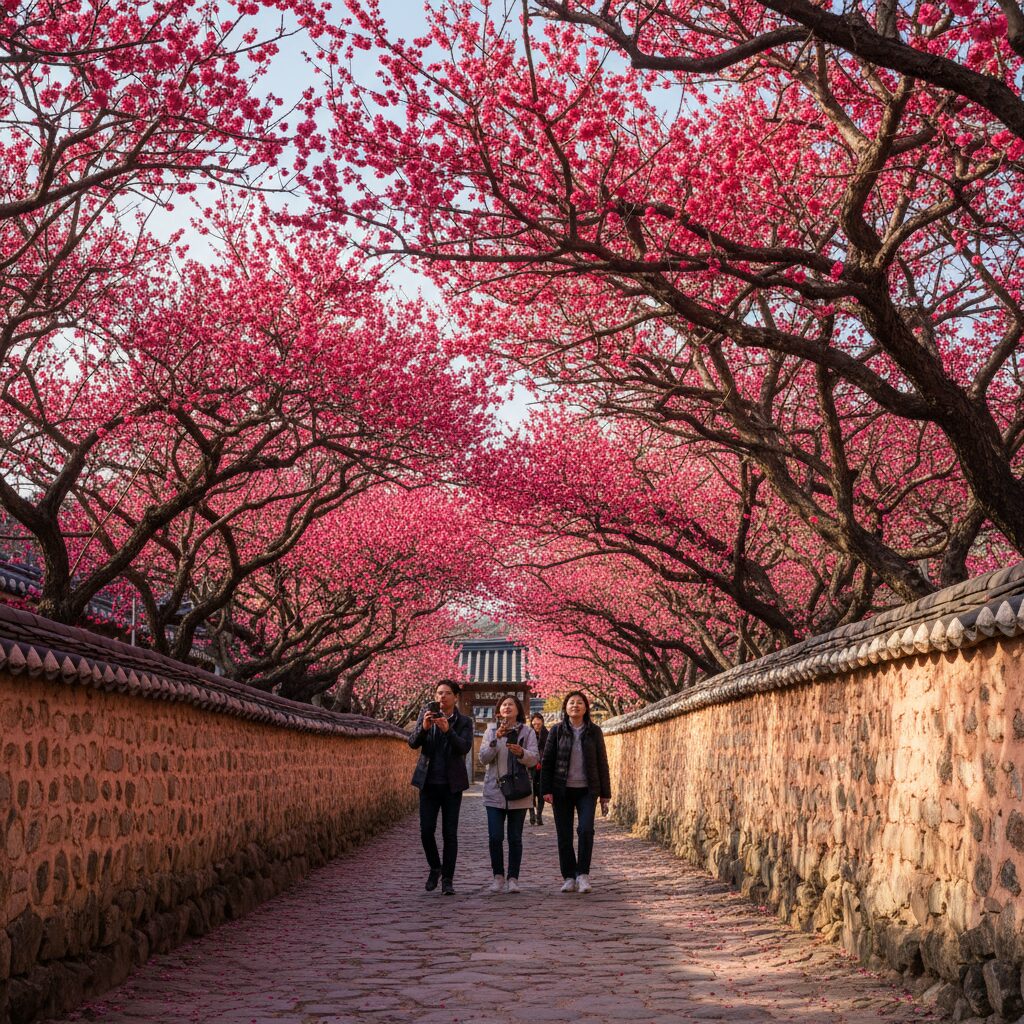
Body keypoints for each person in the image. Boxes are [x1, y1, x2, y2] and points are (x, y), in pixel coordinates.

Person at [540, 690, 611, 894]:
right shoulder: (556, 731)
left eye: (580, 703)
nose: (575, 706)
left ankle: (583, 875)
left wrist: (605, 793)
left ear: (586, 708)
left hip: (587, 790)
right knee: (564, 834)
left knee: (586, 830)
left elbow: (602, 763)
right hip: (561, 789)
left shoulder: (594, 731)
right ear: (565, 707)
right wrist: (545, 790)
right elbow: (547, 762)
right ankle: (569, 876)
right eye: (571, 702)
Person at [409, 679, 474, 895]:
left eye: (447, 693)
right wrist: (424, 728)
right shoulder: (426, 714)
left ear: (456, 697)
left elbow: (464, 747)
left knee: (450, 834)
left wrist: (448, 731)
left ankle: (447, 879)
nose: (442, 697)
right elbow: (413, 743)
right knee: (426, 831)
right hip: (427, 782)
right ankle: (435, 867)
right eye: (439, 693)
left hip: (451, 784)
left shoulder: (464, 721)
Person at [479, 695, 539, 893]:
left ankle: (513, 878)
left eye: (510, 704)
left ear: (518, 710)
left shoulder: (527, 732)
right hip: (494, 791)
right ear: (498, 710)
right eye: (503, 705)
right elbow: (483, 759)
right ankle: (498, 876)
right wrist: (495, 741)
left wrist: (521, 752)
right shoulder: (490, 731)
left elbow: (534, 759)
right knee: (495, 837)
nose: (507, 707)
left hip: (519, 792)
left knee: (515, 838)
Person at [528, 712, 549, 825]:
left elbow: (549, 751)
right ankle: (532, 815)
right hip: (530, 767)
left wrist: (541, 761)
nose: (536, 726)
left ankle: (539, 815)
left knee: (541, 793)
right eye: (534, 724)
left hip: (543, 768)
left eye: (538, 723)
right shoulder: (529, 735)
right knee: (530, 792)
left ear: (542, 722)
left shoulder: (547, 734)